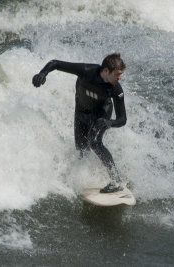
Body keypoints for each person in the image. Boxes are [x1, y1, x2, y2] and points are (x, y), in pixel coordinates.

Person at [32, 53, 127, 193]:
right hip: (81, 112)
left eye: (120, 74)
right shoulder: (86, 70)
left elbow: (122, 119)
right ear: (106, 70)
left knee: (95, 143)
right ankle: (87, 175)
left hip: (101, 115)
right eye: (117, 74)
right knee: (81, 149)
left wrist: (109, 122)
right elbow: (56, 63)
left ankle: (116, 181)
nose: (120, 78)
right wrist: (42, 74)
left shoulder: (116, 89)